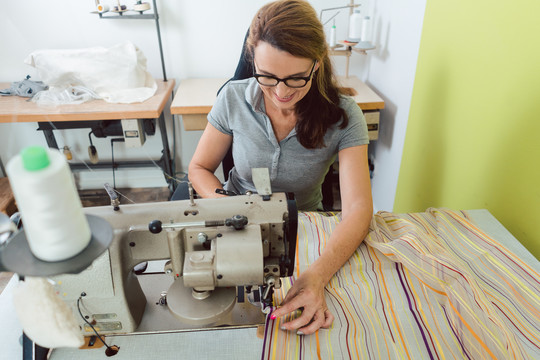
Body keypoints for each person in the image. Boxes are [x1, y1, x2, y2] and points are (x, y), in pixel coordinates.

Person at [188, 0, 373, 335]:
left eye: (296, 79)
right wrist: (222, 205)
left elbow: (359, 208)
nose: (281, 92)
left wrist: (316, 275)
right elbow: (199, 167)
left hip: (303, 223)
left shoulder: (344, 117)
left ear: (316, 65)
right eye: (267, 77)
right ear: (252, 60)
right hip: (235, 217)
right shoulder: (232, 98)